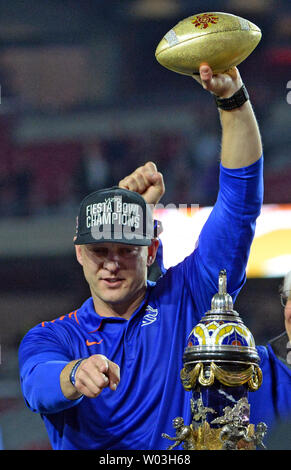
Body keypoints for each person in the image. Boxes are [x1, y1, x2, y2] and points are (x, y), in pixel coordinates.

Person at [19, 64, 264, 450]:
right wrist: (74, 373)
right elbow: (37, 382)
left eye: (126, 250)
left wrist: (232, 101)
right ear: (79, 252)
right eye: (100, 250)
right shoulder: (53, 337)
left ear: (150, 251)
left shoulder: (188, 298)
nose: (112, 263)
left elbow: (239, 207)